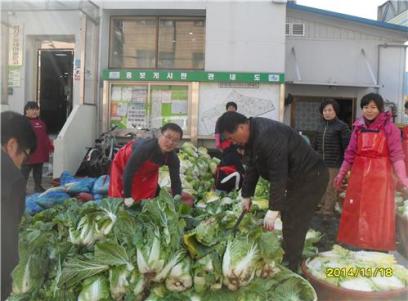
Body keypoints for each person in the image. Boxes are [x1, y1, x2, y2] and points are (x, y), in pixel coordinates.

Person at [217, 112, 329, 271]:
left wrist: (273, 208)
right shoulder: (252, 136)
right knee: (290, 218)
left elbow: (279, 173)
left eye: (231, 137)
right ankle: (289, 255)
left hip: (311, 176)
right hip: (296, 178)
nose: (231, 141)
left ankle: (291, 266)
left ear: (242, 127)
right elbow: (252, 166)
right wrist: (246, 195)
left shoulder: (268, 135)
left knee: (295, 220)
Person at [334, 93, 408, 251]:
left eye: (373, 107)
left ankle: (377, 248)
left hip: (380, 178)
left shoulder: (390, 129)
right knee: (357, 213)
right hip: (359, 176)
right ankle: (359, 247)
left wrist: (403, 178)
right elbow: (350, 154)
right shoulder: (358, 128)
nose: (369, 110)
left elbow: (397, 155)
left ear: (380, 109)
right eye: (366, 107)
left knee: (377, 214)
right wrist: (341, 174)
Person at [108, 123, 192, 206]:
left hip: (145, 172)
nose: (170, 142)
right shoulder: (145, 148)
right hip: (124, 163)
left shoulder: (173, 158)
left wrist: (176, 201)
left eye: (175, 140)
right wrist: (127, 197)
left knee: (146, 196)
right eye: (168, 137)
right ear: (160, 135)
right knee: (118, 193)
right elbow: (128, 172)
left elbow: (175, 181)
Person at [1, 111, 37, 300]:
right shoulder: (12, 178)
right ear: (12, 145)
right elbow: (7, 239)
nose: (22, 163)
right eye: (24, 156)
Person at [313, 99, 350, 218]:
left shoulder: (342, 126)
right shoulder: (320, 126)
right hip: (320, 162)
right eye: (325, 110)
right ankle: (323, 207)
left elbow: (347, 146)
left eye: (330, 110)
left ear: (335, 111)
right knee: (322, 186)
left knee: (331, 187)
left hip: (335, 163)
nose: (327, 113)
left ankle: (328, 211)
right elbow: (315, 145)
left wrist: (346, 163)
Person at [21, 102, 53, 192]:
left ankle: (38, 187)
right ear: (26, 110)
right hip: (27, 153)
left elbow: (45, 137)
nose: (35, 111)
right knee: (24, 173)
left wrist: (50, 147)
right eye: (32, 109)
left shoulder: (41, 123)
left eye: (36, 109)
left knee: (38, 172)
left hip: (40, 153)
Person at [214, 102, 245, 192]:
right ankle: (229, 181)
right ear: (227, 109)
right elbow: (217, 132)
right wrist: (218, 144)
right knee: (229, 161)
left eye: (233, 107)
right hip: (226, 144)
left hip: (236, 144)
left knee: (235, 161)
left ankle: (233, 180)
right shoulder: (221, 119)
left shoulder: (239, 119)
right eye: (230, 107)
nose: (231, 109)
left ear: (235, 109)